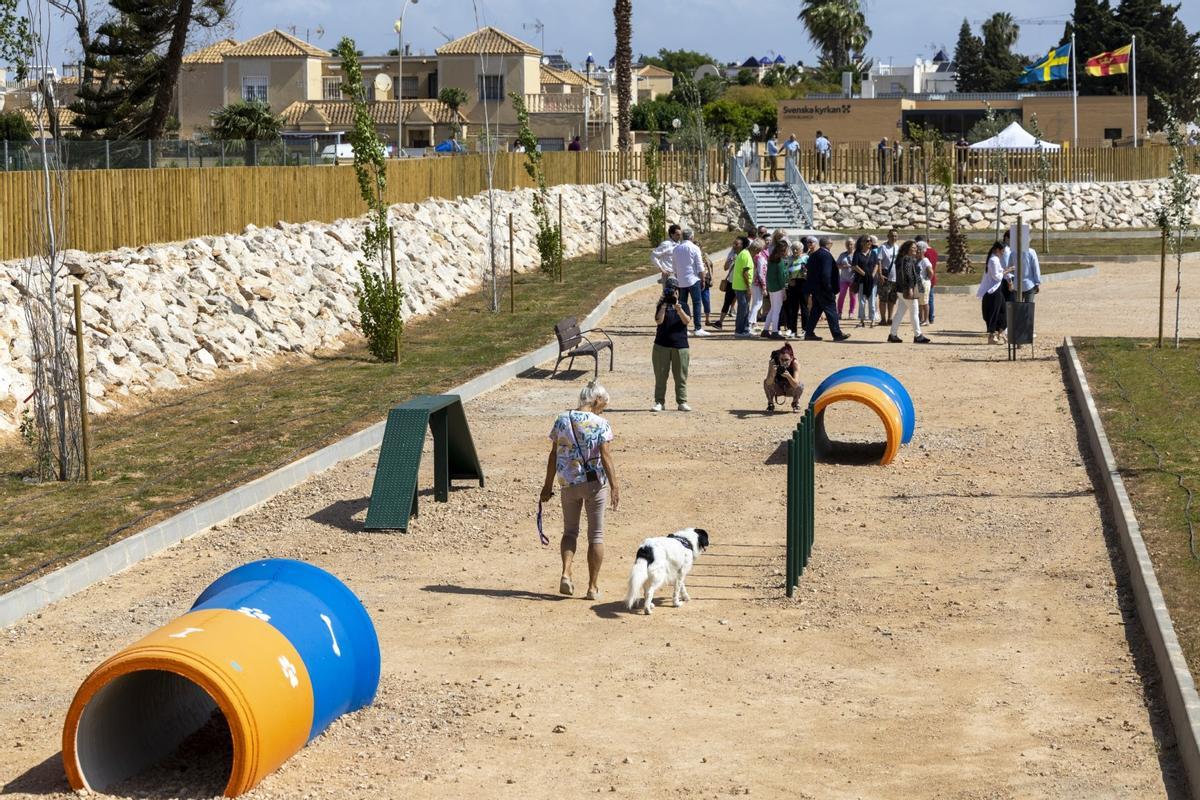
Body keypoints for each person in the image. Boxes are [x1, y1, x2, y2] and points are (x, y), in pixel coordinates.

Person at [540, 380, 620, 601]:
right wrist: (614, 485)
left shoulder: (561, 419)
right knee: (596, 535)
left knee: (569, 532)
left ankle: (566, 572)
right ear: (595, 400)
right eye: (603, 403)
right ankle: (592, 587)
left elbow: (553, 455)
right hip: (594, 484)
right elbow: (605, 456)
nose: (603, 408)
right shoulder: (601, 423)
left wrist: (547, 487)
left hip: (568, 483)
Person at [651, 276, 692, 411]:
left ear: (678, 291)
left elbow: (687, 321)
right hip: (662, 345)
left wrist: (678, 308)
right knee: (661, 376)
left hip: (680, 346)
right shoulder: (660, 305)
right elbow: (658, 321)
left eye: (675, 290)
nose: (672, 293)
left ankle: (682, 401)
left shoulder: (684, 305)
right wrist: (663, 305)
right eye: (669, 290)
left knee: (681, 376)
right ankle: (659, 402)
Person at [802, 236, 850, 342]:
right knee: (831, 311)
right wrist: (829, 288)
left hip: (815, 288)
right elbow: (825, 274)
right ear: (828, 244)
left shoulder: (814, 255)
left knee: (815, 312)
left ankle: (809, 333)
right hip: (824, 289)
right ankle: (837, 334)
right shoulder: (826, 255)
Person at [886, 240, 931, 344]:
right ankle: (918, 336)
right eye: (913, 248)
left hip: (901, 289)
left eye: (916, 248)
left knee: (900, 313)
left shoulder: (901, 259)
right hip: (907, 289)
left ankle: (892, 335)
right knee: (915, 312)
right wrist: (911, 288)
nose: (916, 249)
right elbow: (908, 275)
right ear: (907, 249)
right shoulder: (907, 259)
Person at [671, 229, 709, 335]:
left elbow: (674, 266)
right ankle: (697, 328)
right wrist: (703, 279)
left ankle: (683, 328)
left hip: (681, 280)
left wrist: (677, 277)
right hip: (693, 279)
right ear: (691, 237)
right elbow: (700, 266)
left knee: (682, 304)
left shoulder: (676, 249)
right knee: (696, 303)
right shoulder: (694, 248)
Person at [977, 240, 1014, 344]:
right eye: (1002, 251)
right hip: (993, 291)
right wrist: (1008, 270)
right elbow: (997, 276)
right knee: (994, 312)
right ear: (997, 250)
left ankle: (1001, 333)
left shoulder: (996, 259)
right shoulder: (993, 260)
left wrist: (1009, 280)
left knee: (1003, 312)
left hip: (997, 289)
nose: (1003, 254)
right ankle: (992, 336)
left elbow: (1000, 272)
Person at [763, 234, 790, 339]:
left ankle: (765, 329)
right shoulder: (780, 261)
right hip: (778, 287)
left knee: (773, 309)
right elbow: (781, 277)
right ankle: (774, 331)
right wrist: (784, 290)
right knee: (777, 310)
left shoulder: (771, 259)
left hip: (771, 287)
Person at [764, 343, 804, 413]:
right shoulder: (773, 362)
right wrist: (773, 374)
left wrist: (788, 376)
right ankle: (770, 403)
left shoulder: (795, 363)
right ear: (779, 358)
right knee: (766, 382)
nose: (784, 362)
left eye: (786, 360)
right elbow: (768, 383)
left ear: (791, 358)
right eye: (781, 359)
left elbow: (795, 385)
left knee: (800, 385)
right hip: (778, 387)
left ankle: (795, 403)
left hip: (790, 388)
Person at [851, 235, 877, 328]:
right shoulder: (857, 253)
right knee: (862, 301)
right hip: (861, 280)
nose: (869, 242)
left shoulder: (873, 253)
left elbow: (876, 264)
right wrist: (865, 274)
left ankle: (872, 319)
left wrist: (872, 275)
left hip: (872, 281)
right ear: (862, 243)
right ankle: (862, 320)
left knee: (872, 300)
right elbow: (854, 265)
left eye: (870, 241)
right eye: (867, 241)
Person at [730, 236, 754, 337]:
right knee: (742, 309)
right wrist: (748, 287)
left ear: (742, 245)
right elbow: (745, 272)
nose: (734, 246)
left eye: (737, 244)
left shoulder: (742, 254)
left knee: (744, 308)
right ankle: (739, 330)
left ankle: (744, 329)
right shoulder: (744, 254)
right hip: (742, 286)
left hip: (741, 286)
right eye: (734, 244)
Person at [877, 229, 899, 326]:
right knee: (883, 299)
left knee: (892, 299)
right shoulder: (883, 247)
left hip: (895, 278)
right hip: (885, 277)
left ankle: (890, 318)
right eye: (892, 236)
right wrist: (880, 274)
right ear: (888, 236)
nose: (893, 238)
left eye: (895, 236)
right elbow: (879, 262)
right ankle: (883, 319)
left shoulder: (897, 247)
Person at [916, 235, 939, 325]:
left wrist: (927, 278)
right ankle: (930, 317)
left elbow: (930, 269)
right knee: (928, 300)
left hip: (926, 281)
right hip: (927, 281)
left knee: (925, 301)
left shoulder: (925, 256)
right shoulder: (934, 251)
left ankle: (926, 319)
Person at [748, 238, 768, 334]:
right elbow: (761, 273)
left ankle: (753, 323)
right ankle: (750, 322)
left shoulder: (754, 256)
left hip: (754, 282)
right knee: (758, 303)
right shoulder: (759, 257)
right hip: (757, 283)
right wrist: (764, 286)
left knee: (755, 303)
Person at [836, 237, 857, 319]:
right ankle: (839, 312)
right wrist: (843, 266)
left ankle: (851, 312)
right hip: (843, 279)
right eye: (848, 244)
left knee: (853, 296)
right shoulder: (842, 255)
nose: (849, 246)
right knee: (841, 295)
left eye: (851, 244)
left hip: (853, 279)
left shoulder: (857, 254)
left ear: (854, 245)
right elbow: (837, 265)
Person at [915, 241, 934, 326]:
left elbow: (930, 271)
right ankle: (921, 319)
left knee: (924, 302)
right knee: (920, 302)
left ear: (923, 251)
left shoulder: (925, 260)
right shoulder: (917, 260)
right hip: (918, 283)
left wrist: (927, 280)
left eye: (918, 250)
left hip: (923, 283)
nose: (916, 252)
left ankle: (926, 320)